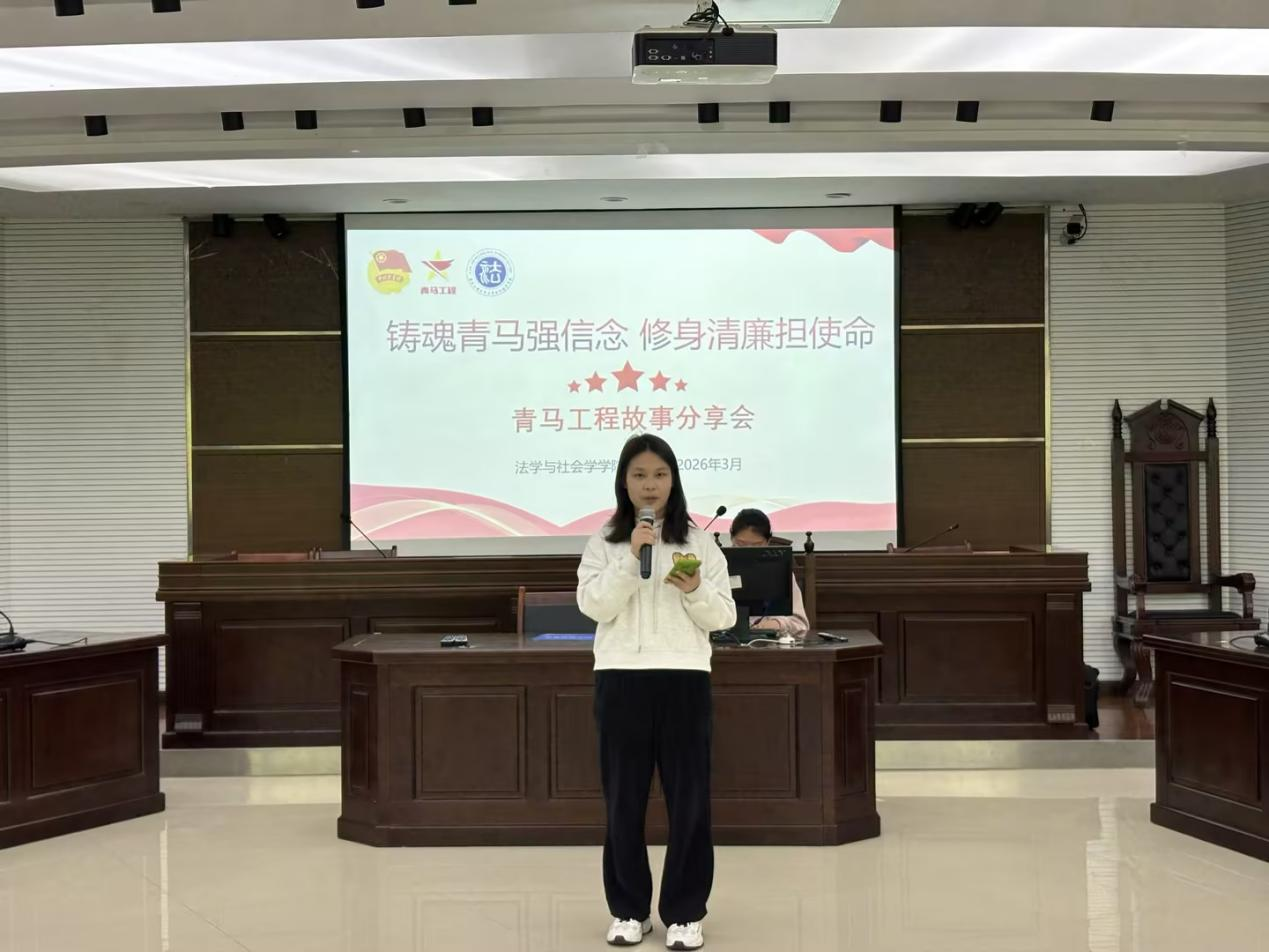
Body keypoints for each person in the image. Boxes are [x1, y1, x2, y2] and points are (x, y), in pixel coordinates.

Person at [577, 434, 737, 950]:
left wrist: (695, 590)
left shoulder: (699, 542)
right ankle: (628, 910)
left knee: (689, 801)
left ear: (674, 481)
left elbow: (724, 616)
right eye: (640, 475)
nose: (650, 485)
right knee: (623, 801)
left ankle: (685, 914)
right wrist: (630, 559)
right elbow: (594, 606)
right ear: (624, 482)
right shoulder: (604, 541)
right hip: (621, 676)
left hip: (684, 677)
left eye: (660, 475)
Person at [727, 508, 810, 640]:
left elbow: (800, 624)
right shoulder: (717, 568)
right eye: (741, 544)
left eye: (756, 545)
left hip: (770, 644)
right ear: (731, 537)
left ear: (768, 541)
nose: (748, 551)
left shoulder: (780, 571)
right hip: (725, 643)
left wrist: (777, 624)